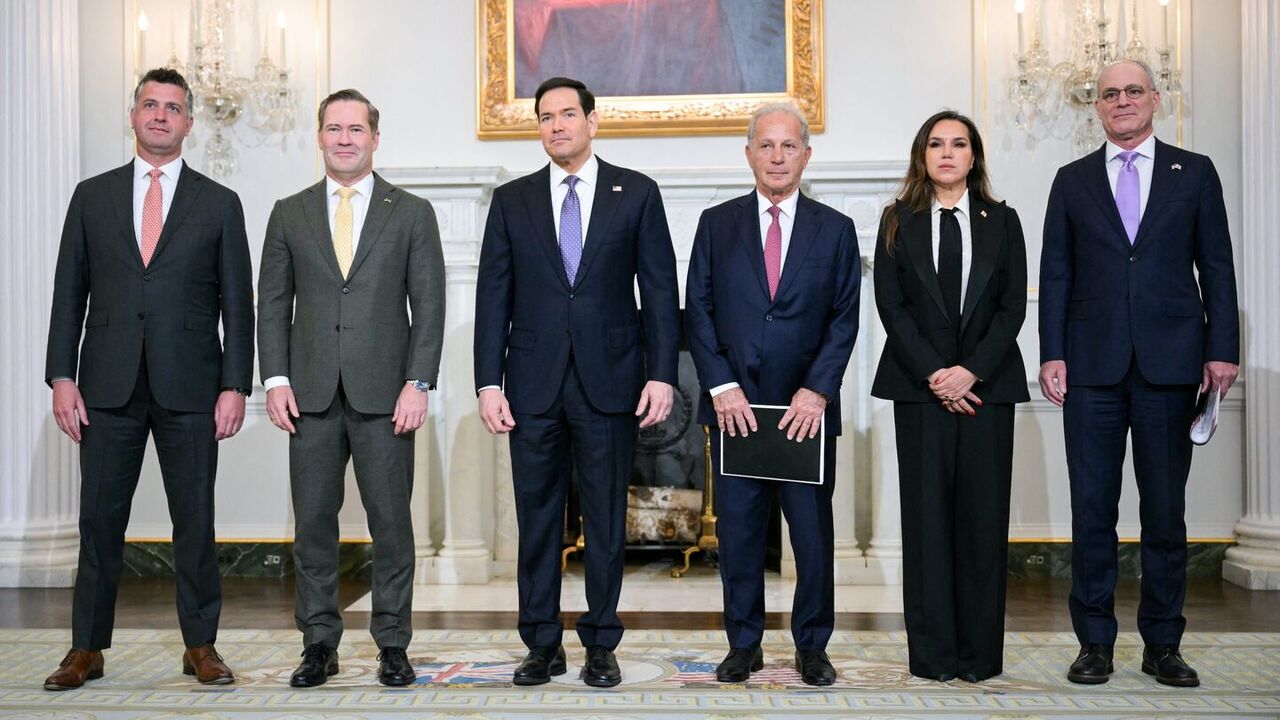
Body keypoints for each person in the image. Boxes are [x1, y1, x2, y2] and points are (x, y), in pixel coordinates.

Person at [43, 67, 253, 690]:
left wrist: (235, 385)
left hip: (192, 386)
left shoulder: (220, 203)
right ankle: (86, 648)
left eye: (173, 108)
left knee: (195, 520)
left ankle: (200, 644)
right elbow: (67, 294)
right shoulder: (92, 195)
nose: (161, 116)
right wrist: (61, 375)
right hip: (105, 385)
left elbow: (236, 306)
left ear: (190, 122)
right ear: (133, 115)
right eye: (150, 105)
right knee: (99, 522)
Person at [473, 76, 680, 687]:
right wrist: (489, 382)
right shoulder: (511, 200)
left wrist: (662, 374)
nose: (556, 125)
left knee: (605, 518)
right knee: (536, 519)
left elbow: (661, 293)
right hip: (530, 386)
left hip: (611, 382)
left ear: (593, 121)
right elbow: (493, 299)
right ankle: (540, 643)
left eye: (567, 114)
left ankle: (600, 643)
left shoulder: (636, 193)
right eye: (545, 117)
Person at [1039, 59, 1239, 688]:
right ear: (1096, 107)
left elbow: (1218, 266)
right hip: (1091, 369)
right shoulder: (1071, 181)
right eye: (1108, 95)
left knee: (1165, 512)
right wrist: (1051, 352)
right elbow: (1056, 275)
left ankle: (1163, 645)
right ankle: (1094, 643)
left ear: (1155, 98)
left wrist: (1222, 348)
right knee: (1092, 510)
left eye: (1132, 91)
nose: (1121, 101)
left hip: (1171, 365)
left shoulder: (1195, 172)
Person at [256, 89, 445, 688]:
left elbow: (430, 307)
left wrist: (418, 383)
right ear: (319, 137)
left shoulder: (411, 212)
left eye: (355, 128)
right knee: (313, 522)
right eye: (333, 128)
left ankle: (392, 642)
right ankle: (318, 644)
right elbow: (272, 303)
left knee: (391, 524)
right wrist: (276, 379)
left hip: (387, 395)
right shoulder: (289, 211)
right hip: (308, 395)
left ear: (374, 138)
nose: (344, 138)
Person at [685, 101, 861, 687]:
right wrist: (721, 385)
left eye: (789, 146)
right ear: (749, 154)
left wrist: (817, 391)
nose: (778, 156)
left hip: (804, 415)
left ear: (806, 156)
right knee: (737, 537)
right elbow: (699, 311)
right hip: (736, 413)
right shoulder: (716, 224)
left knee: (811, 538)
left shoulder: (835, 229)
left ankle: (813, 646)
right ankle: (744, 643)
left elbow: (844, 319)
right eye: (767, 145)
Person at [871, 110, 1029, 682]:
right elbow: (893, 309)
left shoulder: (1003, 221)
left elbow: (1012, 307)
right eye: (935, 144)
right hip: (919, 392)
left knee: (983, 525)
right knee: (928, 524)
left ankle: (979, 658)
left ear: (973, 155)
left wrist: (971, 373)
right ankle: (933, 657)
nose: (946, 153)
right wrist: (940, 375)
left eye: (958, 144)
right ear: (922, 155)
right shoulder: (897, 221)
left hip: (988, 392)